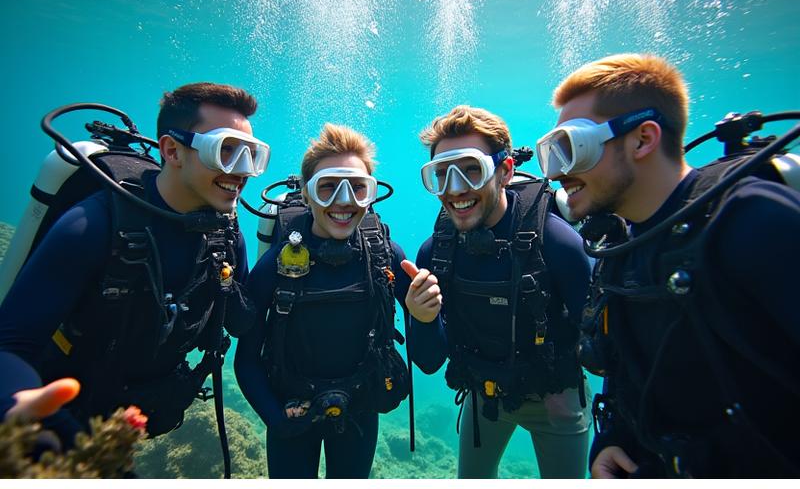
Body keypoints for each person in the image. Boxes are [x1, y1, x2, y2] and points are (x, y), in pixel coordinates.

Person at [539, 53, 800, 477]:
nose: (557, 175)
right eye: (554, 154)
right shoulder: (619, 245)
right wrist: (613, 440)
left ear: (643, 139)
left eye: (571, 149)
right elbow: (627, 366)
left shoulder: (751, 219)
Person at [0, 82, 267, 447]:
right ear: (172, 150)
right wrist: (21, 407)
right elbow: (9, 345)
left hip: (138, 418)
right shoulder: (93, 225)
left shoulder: (224, 232)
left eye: (252, 156)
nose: (243, 172)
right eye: (226, 151)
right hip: (64, 418)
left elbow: (240, 317)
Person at [405, 105, 593, 479]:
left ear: (505, 171)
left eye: (471, 169)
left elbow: (607, 350)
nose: (455, 188)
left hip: (554, 398)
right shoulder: (436, 253)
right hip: (484, 397)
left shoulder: (557, 244)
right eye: (441, 175)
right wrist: (422, 319)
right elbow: (428, 362)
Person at [234, 124, 430, 479]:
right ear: (307, 196)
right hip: (290, 406)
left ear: (371, 195)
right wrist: (276, 420)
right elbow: (246, 360)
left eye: (357, 188)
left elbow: (431, 360)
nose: (343, 200)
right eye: (327, 187)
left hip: (360, 410)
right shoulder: (276, 263)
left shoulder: (385, 256)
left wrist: (426, 317)